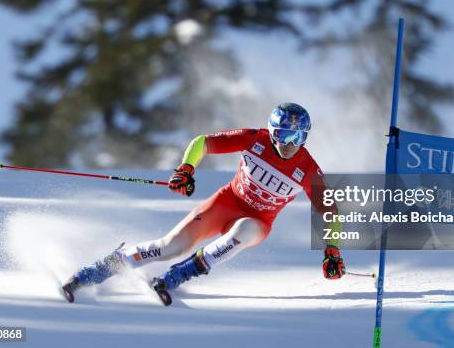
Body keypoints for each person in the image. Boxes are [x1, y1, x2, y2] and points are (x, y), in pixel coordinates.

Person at [62, 102, 345, 304]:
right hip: (226, 202)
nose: (290, 143)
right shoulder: (253, 139)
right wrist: (186, 168)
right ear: (272, 131)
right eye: (284, 134)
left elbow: (329, 210)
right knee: (169, 246)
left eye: (298, 137)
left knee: (243, 231)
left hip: (258, 221)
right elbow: (203, 142)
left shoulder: (308, 169)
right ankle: (95, 271)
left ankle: (180, 275)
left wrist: (332, 249)